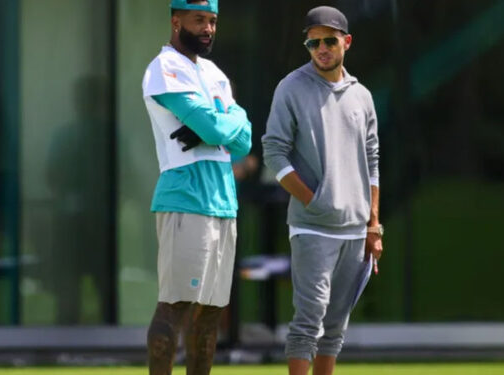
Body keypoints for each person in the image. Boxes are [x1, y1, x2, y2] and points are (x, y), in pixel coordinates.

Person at [261, 6, 384, 375]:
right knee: (308, 321)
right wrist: (313, 201)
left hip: (355, 228)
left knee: (335, 328)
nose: (321, 49)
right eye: (313, 43)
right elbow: (273, 151)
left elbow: (372, 160)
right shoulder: (291, 87)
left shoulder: (361, 95)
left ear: (346, 42)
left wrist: (373, 225)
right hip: (312, 227)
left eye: (329, 40)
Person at [141, 0, 252, 373]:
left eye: (213, 21)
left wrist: (224, 120)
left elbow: (243, 141)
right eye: (199, 20)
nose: (208, 28)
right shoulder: (164, 68)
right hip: (186, 196)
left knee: (211, 313)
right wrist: (224, 121)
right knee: (175, 305)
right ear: (176, 21)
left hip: (223, 200)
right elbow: (219, 132)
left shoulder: (213, 72)